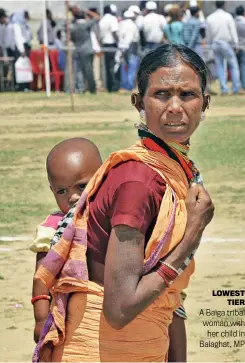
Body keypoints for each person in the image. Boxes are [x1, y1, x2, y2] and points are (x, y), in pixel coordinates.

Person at [33, 44, 214, 363]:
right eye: (161, 94)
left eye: (187, 95)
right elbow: (119, 309)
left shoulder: (172, 170)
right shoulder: (138, 180)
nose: (174, 107)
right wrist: (193, 234)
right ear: (138, 102)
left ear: (205, 103)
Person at [30, 137, 103, 343]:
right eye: (62, 191)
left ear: (103, 177)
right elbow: (41, 279)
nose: (72, 197)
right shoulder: (52, 229)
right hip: (65, 318)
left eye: (81, 186)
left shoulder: (110, 218)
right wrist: (41, 319)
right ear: (52, 190)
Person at [206, 1, 242, 95]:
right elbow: (233, 31)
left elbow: (208, 34)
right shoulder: (228, 16)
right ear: (224, 5)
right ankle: (235, 88)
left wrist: (210, 45)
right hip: (226, 43)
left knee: (220, 67)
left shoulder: (210, 17)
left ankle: (224, 89)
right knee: (233, 65)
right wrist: (236, 44)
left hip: (215, 43)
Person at [71, 9, 100, 94]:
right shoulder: (86, 24)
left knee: (79, 70)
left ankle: (80, 88)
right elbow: (97, 17)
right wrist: (88, 11)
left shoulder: (74, 27)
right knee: (89, 71)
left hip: (78, 50)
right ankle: (92, 89)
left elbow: (72, 39)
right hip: (88, 50)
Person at [6, 9, 33, 91]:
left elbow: (29, 36)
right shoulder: (16, 25)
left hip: (25, 46)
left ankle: (25, 86)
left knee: (25, 66)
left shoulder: (24, 25)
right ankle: (20, 86)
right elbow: (18, 38)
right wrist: (22, 50)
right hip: (20, 48)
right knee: (19, 67)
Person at [117, 10, 140, 92]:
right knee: (132, 69)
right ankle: (129, 87)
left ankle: (123, 86)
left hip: (121, 49)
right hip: (131, 49)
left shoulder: (120, 24)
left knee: (124, 68)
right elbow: (130, 39)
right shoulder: (133, 25)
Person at [99, 5, 120, 92]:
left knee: (107, 66)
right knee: (114, 66)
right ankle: (114, 86)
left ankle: (108, 86)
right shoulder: (112, 19)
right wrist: (119, 42)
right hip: (112, 44)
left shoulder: (102, 20)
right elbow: (114, 32)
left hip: (104, 45)